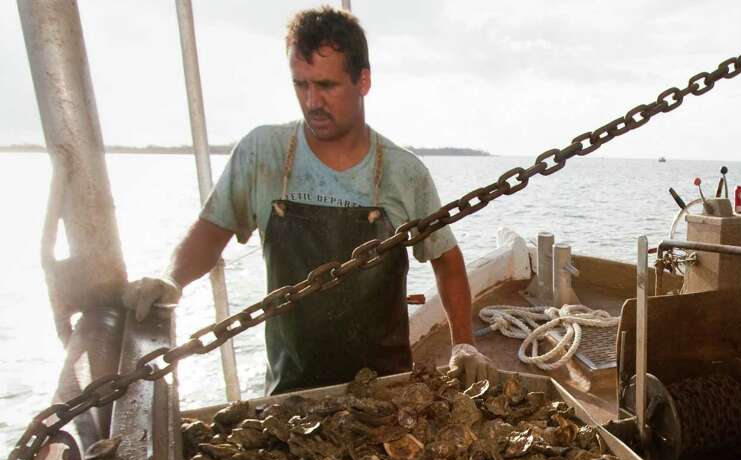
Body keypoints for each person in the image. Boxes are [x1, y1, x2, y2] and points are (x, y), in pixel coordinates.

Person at [123, 6, 495, 394]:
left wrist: (464, 343)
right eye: (301, 85)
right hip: (291, 390)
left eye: (327, 85)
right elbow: (211, 232)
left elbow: (446, 260)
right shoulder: (261, 153)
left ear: (363, 81)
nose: (312, 101)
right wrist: (172, 278)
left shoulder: (405, 173)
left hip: (388, 387)